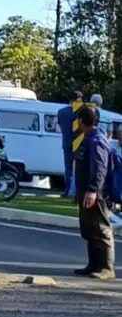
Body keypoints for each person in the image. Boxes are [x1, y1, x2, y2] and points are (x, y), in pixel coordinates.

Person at [72, 104, 115, 280]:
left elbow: (99, 167)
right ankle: (94, 264)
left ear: (81, 121)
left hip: (97, 193)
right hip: (86, 192)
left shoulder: (97, 140)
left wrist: (92, 190)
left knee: (101, 229)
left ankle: (106, 267)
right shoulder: (88, 138)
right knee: (90, 229)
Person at [57, 90, 84, 199]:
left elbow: (60, 124)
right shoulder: (82, 111)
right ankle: (78, 190)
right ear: (79, 99)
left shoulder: (61, 112)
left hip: (67, 142)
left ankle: (67, 190)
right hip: (80, 142)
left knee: (68, 168)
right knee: (80, 168)